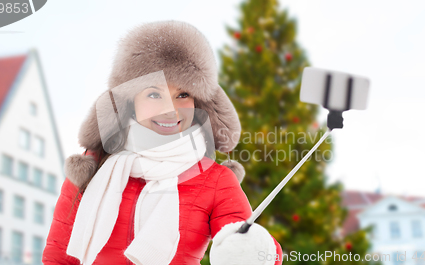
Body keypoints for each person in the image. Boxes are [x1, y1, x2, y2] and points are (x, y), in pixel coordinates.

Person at [42, 20, 283, 265]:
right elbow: (58, 258)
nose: (171, 110)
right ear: (130, 101)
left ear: (198, 102)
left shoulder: (216, 180)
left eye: (183, 94)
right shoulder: (93, 169)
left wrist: (249, 248)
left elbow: (259, 253)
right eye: (154, 94)